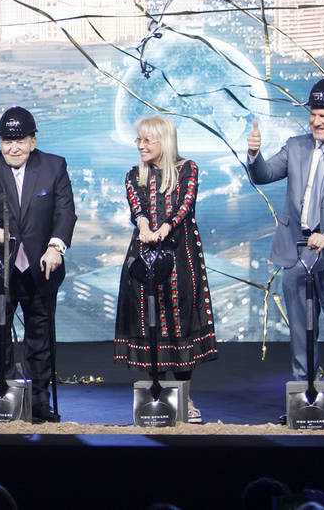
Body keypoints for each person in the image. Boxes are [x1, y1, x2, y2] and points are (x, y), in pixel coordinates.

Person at [247, 78, 324, 426]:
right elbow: (265, 174)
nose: (317, 122)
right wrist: (254, 154)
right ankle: (305, 398)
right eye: (313, 115)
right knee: (301, 334)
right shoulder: (296, 146)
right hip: (296, 252)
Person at [0, 106, 76, 423]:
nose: (13, 147)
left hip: (41, 268)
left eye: (20, 140)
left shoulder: (54, 166)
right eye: (7, 141)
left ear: (32, 140)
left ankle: (40, 403)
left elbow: (65, 212)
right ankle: (1, 401)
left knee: (40, 339)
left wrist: (56, 246)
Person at [113, 115, 218, 423]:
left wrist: (165, 228)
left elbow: (184, 205)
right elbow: (137, 208)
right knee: (150, 322)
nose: (141, 145)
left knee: (180, 324)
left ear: (164, 141)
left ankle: (185, 400)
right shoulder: (134, 174)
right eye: (139, 140)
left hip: (180, 258)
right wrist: (145, 226)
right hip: (144, 257)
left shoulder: (189, 169)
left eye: (148, 140)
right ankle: (158, 395)